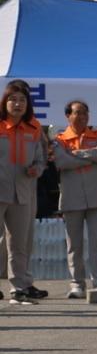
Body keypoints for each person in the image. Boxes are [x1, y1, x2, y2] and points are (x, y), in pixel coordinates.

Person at [52, 100, 97, 298]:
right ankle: (77, 284)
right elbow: (62, 161)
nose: (82, 116)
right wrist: (89, 157)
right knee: (74, 245)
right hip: (71, 198)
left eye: (85, 113)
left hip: (96, 197)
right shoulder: (60, 140)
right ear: (68, 116)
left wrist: (80, 154)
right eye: (77, 113)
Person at [0, 82, 49, 302]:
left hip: (23, 192)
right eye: (13, 99)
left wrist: (37, 169)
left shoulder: (34, 127)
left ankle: (19, 287)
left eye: (22, 100)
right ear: (5, 102)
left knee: (19, 242)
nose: (17, 104)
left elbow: (42, 158)